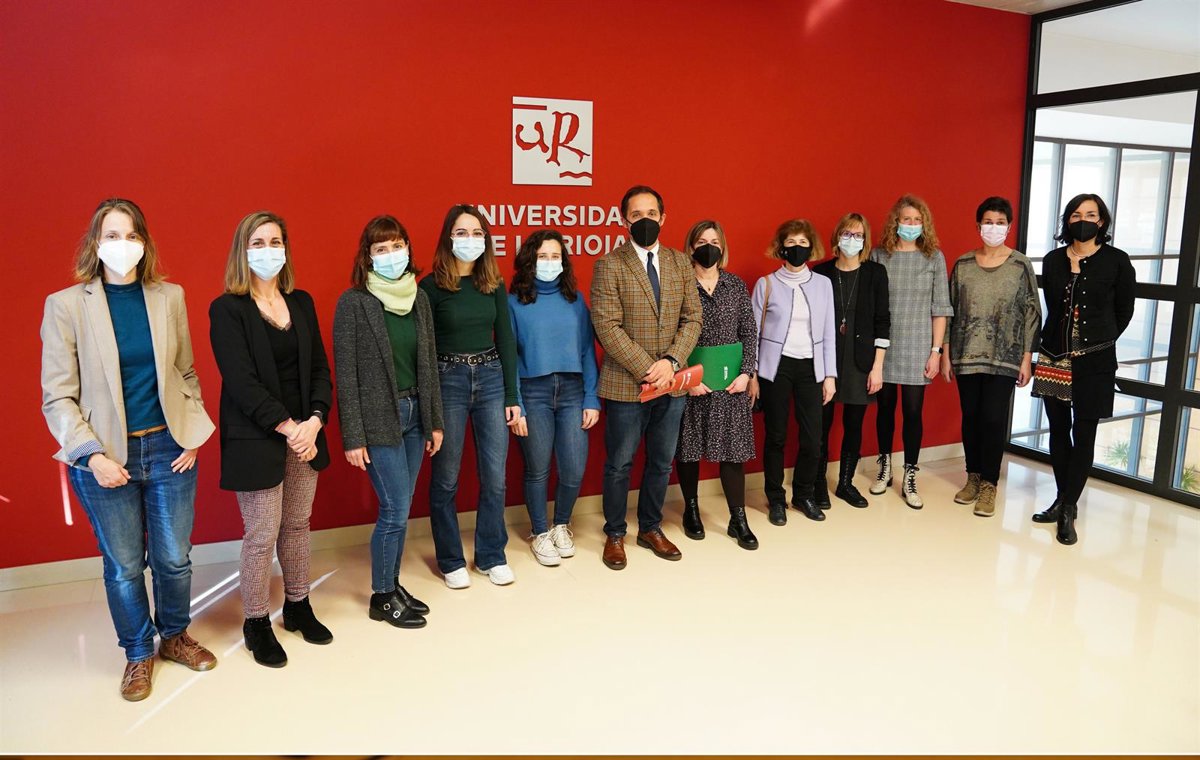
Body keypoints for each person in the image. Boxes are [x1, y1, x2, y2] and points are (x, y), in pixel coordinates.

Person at [40, 198, 217, 701]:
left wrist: (191, 432)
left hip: (168, 448)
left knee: (174, 558)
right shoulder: (67, 305)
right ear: (95, 244)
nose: (123, 245)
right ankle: (138, 653)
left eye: (132, 235)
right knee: (123, 565)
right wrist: (92, 456)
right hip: (104, 458)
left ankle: (175, 636)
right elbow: (57, 396)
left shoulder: (169, 296)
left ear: (145, 242)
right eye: (112, 236)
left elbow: (185, 371)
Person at [210, 211, 333, 668]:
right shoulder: (228, 309)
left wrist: (315, 421)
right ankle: (257, 622)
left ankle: (298, 606)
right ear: (242, 252)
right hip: (259, 437)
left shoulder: (301, 302)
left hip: (305, 435)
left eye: (275, 242)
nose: (268, 250)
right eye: (257, 243)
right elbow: (241, 383)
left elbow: (320, 368)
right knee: (262, 534)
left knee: (297, 525)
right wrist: (290, 428)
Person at [333, 215, 444, 628]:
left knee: (402, 506)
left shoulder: (419, 298)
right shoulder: (354, 303)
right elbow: (346, 374)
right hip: (380, 418)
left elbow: (429, 363)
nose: (391, 254)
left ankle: (392, 584)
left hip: (416, 412)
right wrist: (353, 436)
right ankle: (382, 597)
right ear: (368, 256)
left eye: (397, 246)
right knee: (394, 508)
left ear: (408, 249)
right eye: (381, 248)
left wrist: (434, 421)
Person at [591, 184, 702, 570]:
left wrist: (671, 361)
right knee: (620, 464)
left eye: (651, 214)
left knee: (661, 461)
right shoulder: (609, 264)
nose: (644, 221)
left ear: (663, 218)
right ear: (624, 221)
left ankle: (651, 528)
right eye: (636, 215)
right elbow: (607, 326)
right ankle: (615, 533)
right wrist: (647, 368)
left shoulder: (679, 262)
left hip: (671, 384)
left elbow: (692, 318)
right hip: (626, 384)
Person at [420, 204, 525, 588]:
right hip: (448, 379)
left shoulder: (493, 283)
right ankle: (450, 559)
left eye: (477, 233)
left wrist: (512, 395)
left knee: (495, 477)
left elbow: (506, 339)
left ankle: (491, 554)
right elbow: (424, 350)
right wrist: (430, 408)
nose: (470, 240)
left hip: (491, 377)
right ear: (448, 238)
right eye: (462, 233)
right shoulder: (430, 287)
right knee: (446, 478)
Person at [1030, 194, 1135, 545]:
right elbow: (1052, 305)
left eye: (1091, 214)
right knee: (1058, 430)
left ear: (1101, 221)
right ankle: (1062, 499)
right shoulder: (1053, 259)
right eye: (1076, 215)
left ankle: (1069, 509)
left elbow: (1124, 311)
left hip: (1095, 358)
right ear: (1067, 221)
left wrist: (1101, 339)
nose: (1083, 220)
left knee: (1085, 431)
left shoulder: (1117, 261)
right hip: (1053, 355)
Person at [942, 197, 1041, 517]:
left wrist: (1026, 357)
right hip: (966, 354)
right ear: (978, 225)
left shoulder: (1020, 265)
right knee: (971, 416)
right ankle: (972, 476)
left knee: (993, 418)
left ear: (1009, 227)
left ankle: (989, 483)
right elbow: (948, 310)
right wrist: (945, 353)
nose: (993, 228)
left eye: (1000, 222)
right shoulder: (963, 265)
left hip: (1005, 357)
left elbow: (1032, 311)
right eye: (988, 222)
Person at [508, 229, 600, 566]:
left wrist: (591, 398)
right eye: (542, 257)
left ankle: (561, 524)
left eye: (555, 256)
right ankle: (539, 532)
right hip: (533, 392)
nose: (549, 262)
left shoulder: (575, 301)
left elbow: (587, 351)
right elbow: (509, 357)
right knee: (537, 469)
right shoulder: (513, 303)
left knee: (573, 468)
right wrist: (516, 404)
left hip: (573, 391)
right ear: (529, 261)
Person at [674, 220, 759, 550]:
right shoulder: (680, 285)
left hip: (731, 384)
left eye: (714, 242)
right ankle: (691, 510)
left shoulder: (735, 285)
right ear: (691, 247)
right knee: (689, 451)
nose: (708, 247)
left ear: (722, 247)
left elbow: (749, 331)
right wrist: (685, 379)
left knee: (733, 452)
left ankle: (738, 519)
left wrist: (746, 373)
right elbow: (670, 334)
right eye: (701, 242)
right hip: (693, 385)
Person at [749, 219, 837, 526]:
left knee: (813, 440)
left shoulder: (823, 284)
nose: (797, 248)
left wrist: (830, 375)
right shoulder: (766, 284)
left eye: (802, 243)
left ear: (811, 247)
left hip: (811, 367)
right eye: (791, 243)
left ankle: (803, 494)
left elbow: (829, 332)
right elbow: (752, 333)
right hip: (777, 368)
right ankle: (776, 499)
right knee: (776, 436)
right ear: (781, 247)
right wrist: (753, 374)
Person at [868, 195, 954, 508]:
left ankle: (910, 473)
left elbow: (940, 308)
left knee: (913, 412)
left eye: (917, 220)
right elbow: (871, 304)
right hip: (884, 345)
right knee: (885, 409)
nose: (912, 224)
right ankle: (884, 466)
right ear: (896, 222)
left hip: (919, 346)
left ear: (924, 224)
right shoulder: (879, 255)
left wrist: (936, 351)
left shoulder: (933, 257)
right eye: (907, 219)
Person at [812, 213, 890, 508]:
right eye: (847, 233)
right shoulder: (821, 273)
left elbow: (883, 321)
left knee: (854, 424)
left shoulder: (875, 273)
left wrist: (877, 367)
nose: (852, 240)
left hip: (861, 361)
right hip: (826, 360)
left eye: (858, 235)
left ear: (865, 240)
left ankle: (845, 483)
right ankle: (818, 482)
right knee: (820, 425)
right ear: (837, 237)